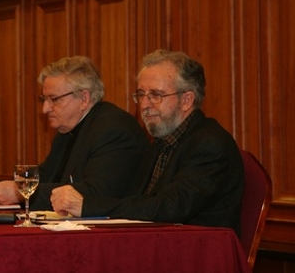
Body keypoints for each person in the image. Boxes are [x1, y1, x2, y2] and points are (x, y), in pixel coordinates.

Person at [50, 49, 244, 235]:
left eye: (156, 96)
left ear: (186, 100)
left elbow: (167, 208)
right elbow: (136, 201)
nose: (144, 105)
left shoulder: (210, 145)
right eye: (141, 95)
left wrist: (86, 205)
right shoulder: (161, 143)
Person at [0, 56, 148, 210]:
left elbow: (94, 194)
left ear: (84, 98)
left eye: (54, 99)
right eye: (44, 100)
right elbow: (43, 176)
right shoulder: (67, 131)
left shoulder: (114, 129)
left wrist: (21, 193)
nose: (45, 109)